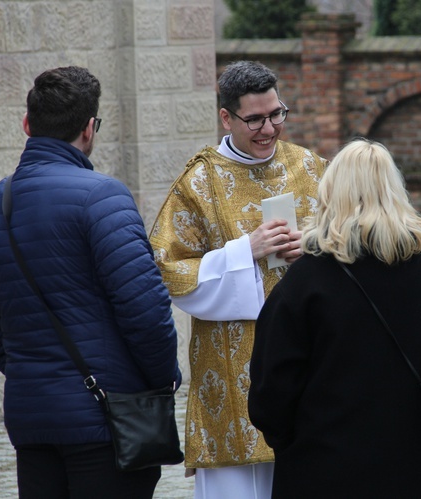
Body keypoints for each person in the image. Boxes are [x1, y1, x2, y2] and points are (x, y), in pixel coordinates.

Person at [0, 66, 181, 498]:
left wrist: (35, 376)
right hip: (106, 424)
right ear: (89, 128)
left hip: (32, 421)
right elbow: (146, 312)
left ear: (28, 125)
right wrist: (162, 382)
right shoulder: (103, 197)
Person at [247, 138, 421, 498]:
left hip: (323, 470)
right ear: (393, 193)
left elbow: (269, 393)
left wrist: (293, 441)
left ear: (331, 194)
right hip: (417, 470)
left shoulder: (306, 282)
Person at [148, 60, 327, 499]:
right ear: (226, 117)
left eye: (277, 114)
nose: (269, 129)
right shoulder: (199, 182)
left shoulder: (310, 167)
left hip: (313, 362)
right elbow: (168, 267)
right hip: (233, 373)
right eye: (255, 119)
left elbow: (355, 239)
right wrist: (244, 252)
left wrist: (318, 245)